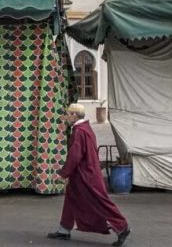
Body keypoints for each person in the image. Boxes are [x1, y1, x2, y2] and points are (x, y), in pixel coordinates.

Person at [47, 103, 131, 246]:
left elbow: (75, 155)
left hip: (86, 175)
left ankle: (122, 227)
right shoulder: (85, 128)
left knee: (100, 202)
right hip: (85, 173)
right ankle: (64, 229)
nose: (66, 117)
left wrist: (63, 173)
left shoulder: (79, 131)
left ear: (74, 115)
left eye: (68, 114)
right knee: (71, 198)